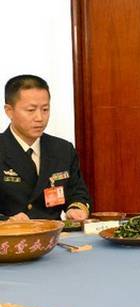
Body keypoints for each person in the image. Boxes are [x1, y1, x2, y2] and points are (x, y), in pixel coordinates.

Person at [1, 75, 91, 221]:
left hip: (55, 233)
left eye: (45, 109)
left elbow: (77, 192)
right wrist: (7, 222)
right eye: (31, 110)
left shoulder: (62, 149)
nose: (40, 118)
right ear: (9, 111)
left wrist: (76, 208)